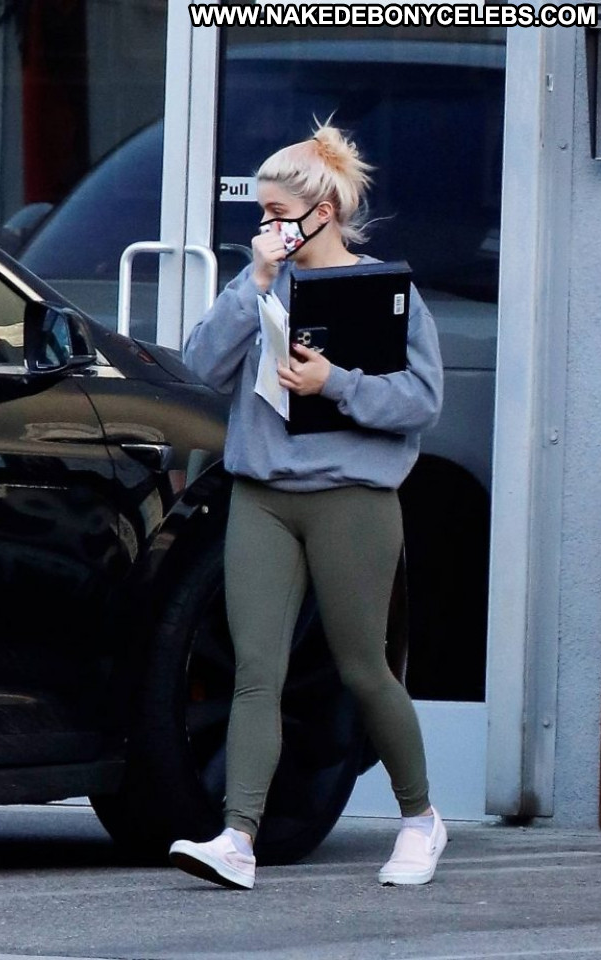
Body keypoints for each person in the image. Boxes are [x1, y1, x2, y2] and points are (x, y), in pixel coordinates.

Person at [169, 119, 446, 891]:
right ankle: (237, 838)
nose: (267, 226)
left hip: (352, 500)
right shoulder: (260, 284)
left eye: (278, 213)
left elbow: (423, 401)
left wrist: (336, 385)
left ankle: (420, 818)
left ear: (323, 213)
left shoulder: (385, 292)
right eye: (260, 213)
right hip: (262, 495)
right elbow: (199, 366)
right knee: (257, 670)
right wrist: (251, 283)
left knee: (363, 667)